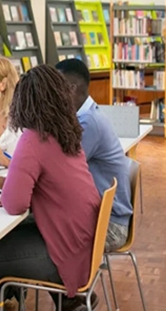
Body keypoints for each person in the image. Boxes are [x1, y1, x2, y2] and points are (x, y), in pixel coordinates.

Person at [0, 65, 101, 311]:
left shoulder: (33, 139)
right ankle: (16, 295)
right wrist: (6, 181)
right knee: (4, 242)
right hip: (81, 241)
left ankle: (10, 297)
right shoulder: (65, 132)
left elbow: (15, 205)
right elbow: (49, 184)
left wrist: (10, 185)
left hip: (61, 252)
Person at [56, 58, 133, 252]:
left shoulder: (88, 123)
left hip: (110, 226)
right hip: (100, 216)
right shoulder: (85, 116)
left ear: (71, 89)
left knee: (38, 233)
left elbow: (60, 170)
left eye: (56, 88)